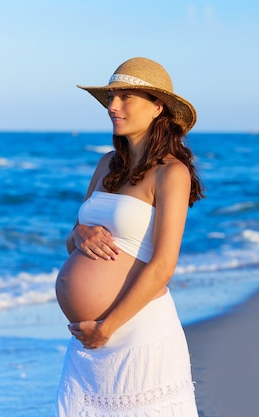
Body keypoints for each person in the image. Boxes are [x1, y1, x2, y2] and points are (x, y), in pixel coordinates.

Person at [55, 57, 203, 416]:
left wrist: (108, 327)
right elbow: (72, 243)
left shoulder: (172, 173)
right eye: (111, 97)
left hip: (135, 330)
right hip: (89, 340)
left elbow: (164, 266)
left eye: (126, 97)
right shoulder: (106, 164)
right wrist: (80, 230)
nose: (113, 106)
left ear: (157, 107)